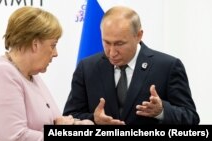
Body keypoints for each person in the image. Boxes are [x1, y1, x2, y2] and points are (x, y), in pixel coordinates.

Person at [63, 6, 200, 125]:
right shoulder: (87, 68)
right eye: (106, 42)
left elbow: (191, 118)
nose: (111, 52)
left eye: (119, 44)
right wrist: (94, 119)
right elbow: (70, 116)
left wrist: (162, 111)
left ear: (139, 35)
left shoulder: (168, 66)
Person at [0, 6, 93, 141]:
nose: (56, 53)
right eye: (53, 45)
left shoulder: (31, 75)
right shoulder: (3, 74)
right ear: (35, 44)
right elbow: (17, 137)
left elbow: (42, 126)